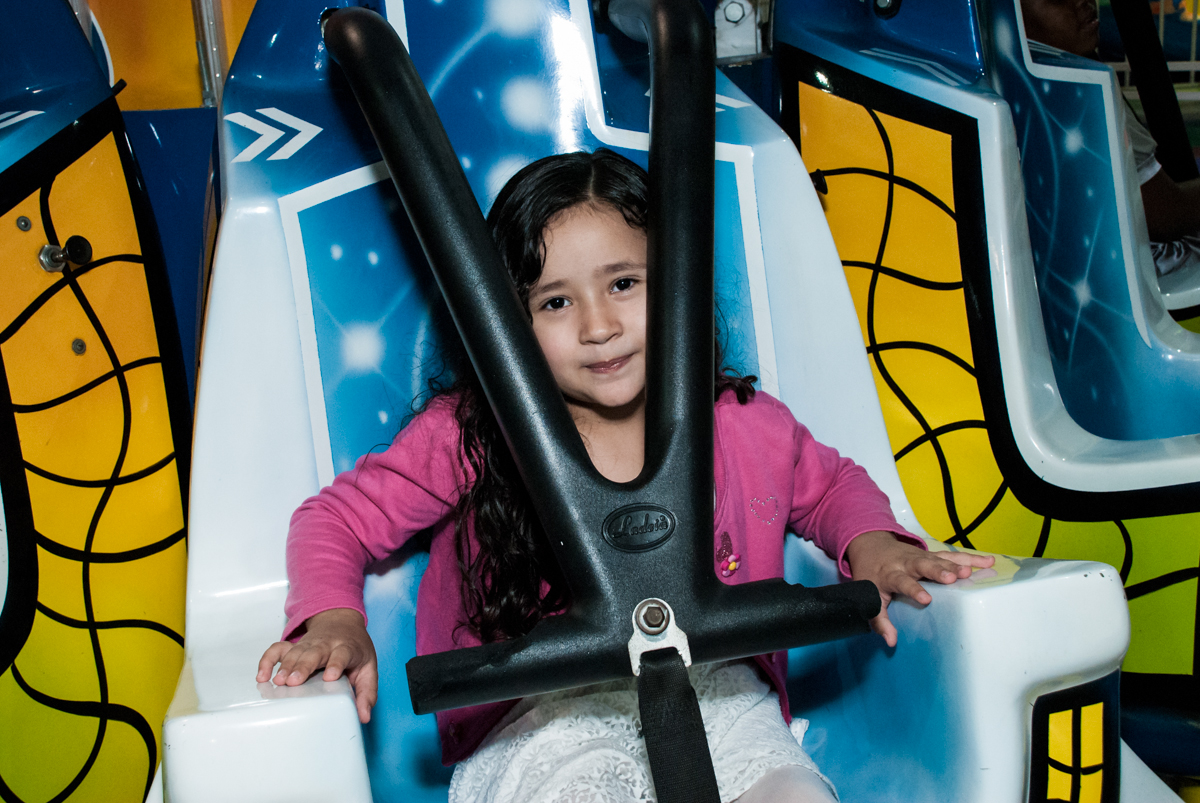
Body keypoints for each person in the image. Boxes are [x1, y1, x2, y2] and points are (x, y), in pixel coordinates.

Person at [256, 149, 993, 803]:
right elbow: (335, 521)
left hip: (716, 693)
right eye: (555, 302)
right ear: (506, 320)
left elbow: (830, 486)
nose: (598, 326)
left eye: (623, 284)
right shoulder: (467, 435)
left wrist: (873, 543)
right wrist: (335, 618)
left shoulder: (741, 422)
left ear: (674, 285)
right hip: (539, 716)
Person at [1021, 0, 1200, 275]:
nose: (1082, 1)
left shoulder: (1024, 88)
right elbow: (1165, 218)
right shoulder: (1082, 98)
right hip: (1138, 272)